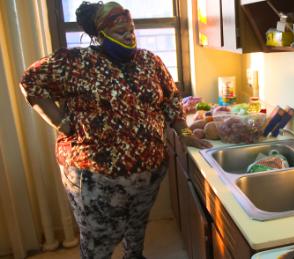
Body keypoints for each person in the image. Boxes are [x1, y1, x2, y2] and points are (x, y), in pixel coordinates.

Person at [20, 1, 212, 258]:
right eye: (118, 28)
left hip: (149, 173)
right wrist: (59, 121)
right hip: (96, 179)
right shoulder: (75, 62)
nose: (127, 32)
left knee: (136, 228)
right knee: (99, 241)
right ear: (99, 33)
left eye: (129, 27)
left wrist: (185, 133)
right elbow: (30, 81)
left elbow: (170, 99)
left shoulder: (149, 61)